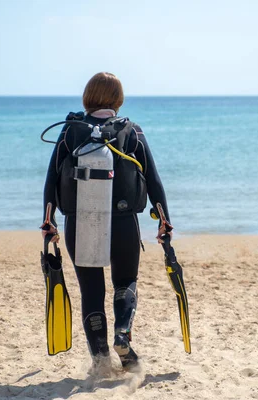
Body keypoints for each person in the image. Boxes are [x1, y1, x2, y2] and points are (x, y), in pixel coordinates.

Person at [41, 72, 172, 370]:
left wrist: (49, 222)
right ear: (118, 99)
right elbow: (153, 180)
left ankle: (100, 361)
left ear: (88, 97)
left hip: (80, 222)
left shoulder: (70, 131)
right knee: (125, 283)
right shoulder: (131, 130)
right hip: (124, 223)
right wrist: (164, 221)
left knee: (91, 291)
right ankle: (122, 335)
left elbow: (51, 179)